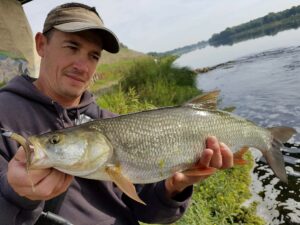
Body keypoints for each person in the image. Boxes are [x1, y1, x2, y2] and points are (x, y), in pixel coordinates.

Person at [0, 2, 233, 225]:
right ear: (41, 44)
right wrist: (16, 194)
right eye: (72, 47)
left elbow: (146, 210)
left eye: (94, 56)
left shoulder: (109, 122)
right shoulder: (5, 116)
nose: (83, 67)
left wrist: (173, 187)